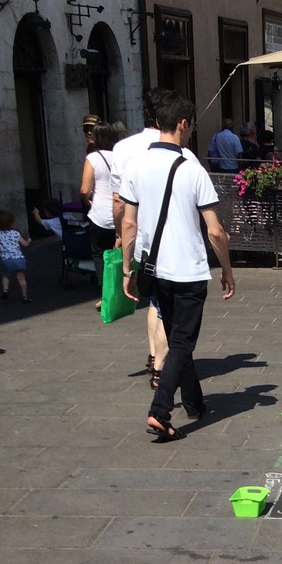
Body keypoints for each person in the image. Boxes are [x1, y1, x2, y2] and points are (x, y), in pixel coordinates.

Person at [119, 94, 236, 441]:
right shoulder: (192, 169)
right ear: (183, 124)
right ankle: (160, 410)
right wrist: (227, 270)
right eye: (192, 125)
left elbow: (128, 224)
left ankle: (194, 401)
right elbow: (215, 231)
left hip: (154, 268)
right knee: (182, 342)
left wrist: (127, 269)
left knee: (176, 337)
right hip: (188, 270)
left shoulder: (136, 166)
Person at [112, 88, 199, 390]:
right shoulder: (185, 155)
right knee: (167, 313)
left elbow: (121, 207)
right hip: (176, 249)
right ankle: (161, 368)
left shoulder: (123, 149)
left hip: (144, 246)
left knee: (155, 303)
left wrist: (120, 238)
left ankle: (154, 356)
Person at [80, 120, 123, 299]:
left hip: (99, 215)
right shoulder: (120, 157)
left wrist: (87, 201)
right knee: (119, 253)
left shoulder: (92, 158)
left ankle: (105, 294)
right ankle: (122, 289)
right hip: (120, 214)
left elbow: (85, 190)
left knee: (99, 254)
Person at [0, 210, 32, 302]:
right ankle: (25, 296)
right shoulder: (15, 233)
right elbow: (25, 244)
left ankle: (5, 290)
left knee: (6, 275)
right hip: (19, 259)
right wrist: (29, 240)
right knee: (22, 279)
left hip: (6, 260)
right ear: (11, 223)